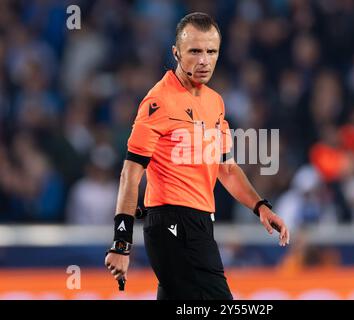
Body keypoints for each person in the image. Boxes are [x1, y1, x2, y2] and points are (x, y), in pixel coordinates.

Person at [104, 12, 289, 300]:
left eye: (211, 51)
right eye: (195, 51)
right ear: (176, 53)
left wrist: (261, 207)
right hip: (171, 221)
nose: (204, 60)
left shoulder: (215, 101)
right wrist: (122, 242)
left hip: (200, 221)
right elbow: (131, 173)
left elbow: (225, 169)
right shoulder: (158, 101)